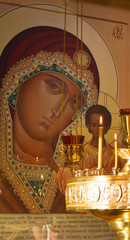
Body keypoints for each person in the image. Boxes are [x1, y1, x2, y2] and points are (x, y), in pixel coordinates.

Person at [0, 26, 99, 213]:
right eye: (53, 86)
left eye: (73, 102)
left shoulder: (74, 181)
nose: (58, 110)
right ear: (18, 83)